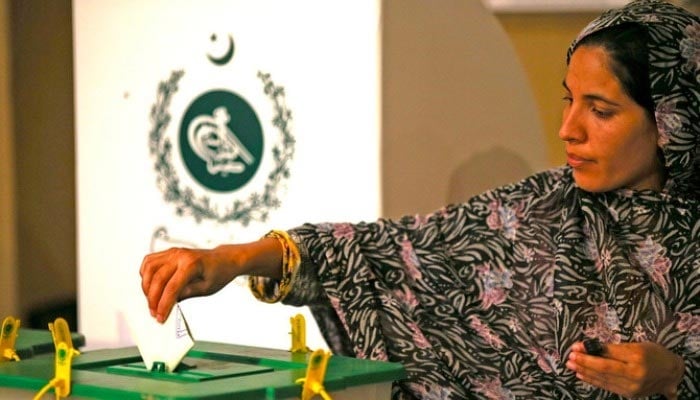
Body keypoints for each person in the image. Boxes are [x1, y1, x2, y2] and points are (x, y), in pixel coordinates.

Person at [140, 1, 699, 398]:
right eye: (567, 101)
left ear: (674, 121)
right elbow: (379, 252)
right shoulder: (538, 212)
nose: (568, 129)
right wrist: (231, 259)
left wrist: (676, 376)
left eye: (600, 111)